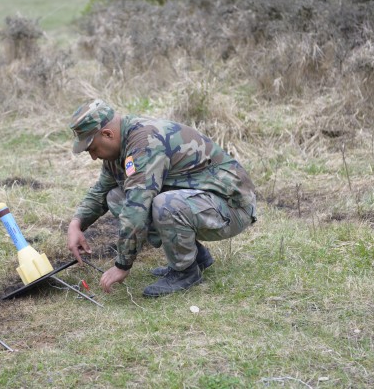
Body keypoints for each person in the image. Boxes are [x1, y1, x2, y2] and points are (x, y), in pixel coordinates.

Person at [67, 99, 257, 297]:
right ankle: (195, 257)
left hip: (232, 206)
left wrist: (122, 265)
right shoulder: (120, 149)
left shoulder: (145, 143)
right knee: (115, 197)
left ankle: (186, 272)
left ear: (107, 134)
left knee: (164, 205)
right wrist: (76, 224)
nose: (94, 157)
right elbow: (101, 190)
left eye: (93, 148)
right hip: (203, 202)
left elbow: (136, 210)